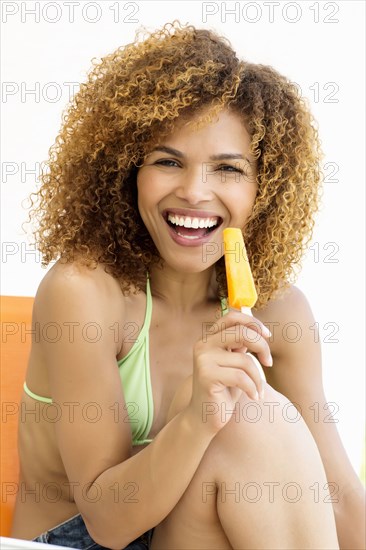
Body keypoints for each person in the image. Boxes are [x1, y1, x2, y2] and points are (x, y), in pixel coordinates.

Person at [11, 21, 364, 550]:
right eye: (168, 162)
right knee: (235, 409)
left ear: (264, 189)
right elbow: (107, 523)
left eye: (228, 169)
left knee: (249, 408)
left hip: (185, 532)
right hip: (79, 539)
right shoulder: (83, 293)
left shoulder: (280, 313)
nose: (195, 192)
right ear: (126, 172)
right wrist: (199, 415)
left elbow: (336, 498)